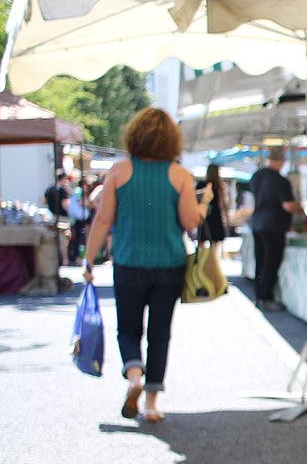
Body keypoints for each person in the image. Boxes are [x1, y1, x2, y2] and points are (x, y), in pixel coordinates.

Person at [82, 108, 210, 423]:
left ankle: (134, 378)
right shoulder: (179, 175)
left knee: (128, 328)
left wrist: (88, 261)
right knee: (160, 332)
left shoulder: (119, 171)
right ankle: (151, 403)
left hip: (128, 262)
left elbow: (103, 220)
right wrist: (204, 203)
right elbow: (190, 222)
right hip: (169, 264)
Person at [249, 145, 303, 311]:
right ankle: (266, 297)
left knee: (261, 261)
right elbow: (287, 205)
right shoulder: (280, 181)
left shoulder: (257, 176)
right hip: (273, 226)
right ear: (282, 161)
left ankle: (259, 296)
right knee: (271, 262)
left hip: (257, 223)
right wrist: (301, 209)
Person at [198, 163, 228, 260]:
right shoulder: (218, 185)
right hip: (215, 215)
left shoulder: (201, 184)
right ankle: (212, 263)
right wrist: (226, 218)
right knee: (214, 244)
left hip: (204, 215)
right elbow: (223, 203)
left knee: (201, 242)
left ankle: (202, 262)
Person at [45, 171, 72, 265]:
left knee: (54, 240)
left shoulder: (49, 189)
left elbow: (44, 201)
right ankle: (65, 260)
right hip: (63, 218)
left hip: (52, 216)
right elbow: (65, 205)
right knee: (63, 240)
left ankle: (56, 259)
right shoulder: (62, 190)